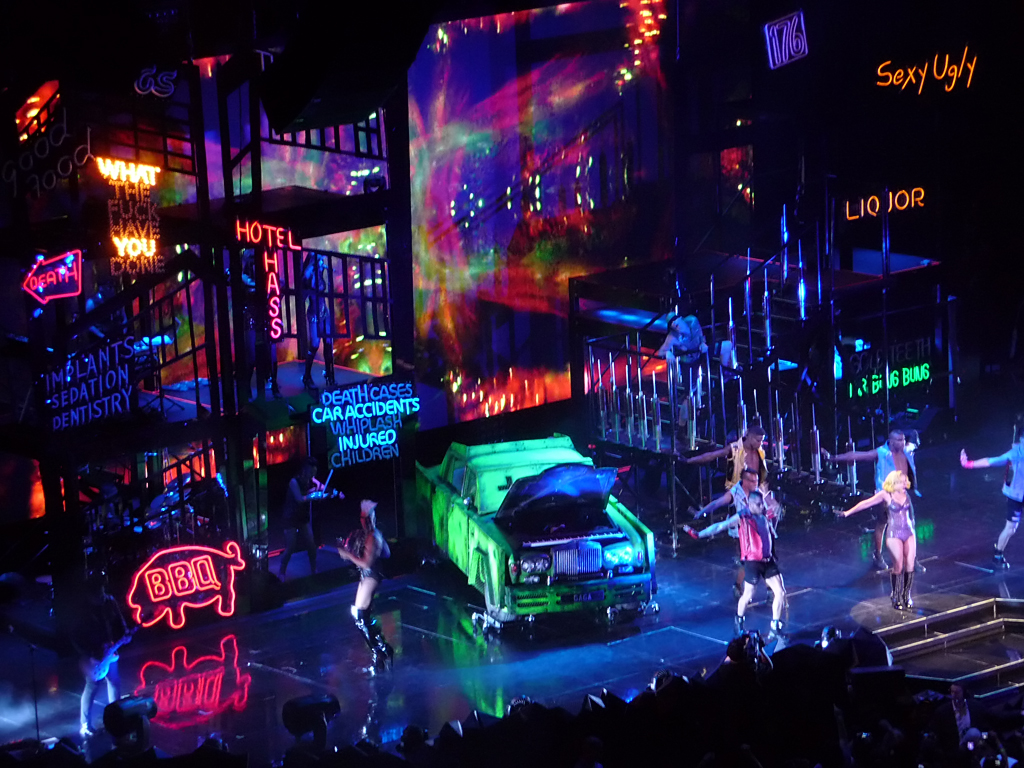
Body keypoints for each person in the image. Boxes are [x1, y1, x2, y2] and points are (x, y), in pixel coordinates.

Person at [684, 485, 787, 642]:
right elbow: (720, 526)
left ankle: (775, 628)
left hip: (768, 560)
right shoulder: (742, 517)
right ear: (750, 504)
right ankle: (738, 621)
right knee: (748, 595)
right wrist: (699, 534)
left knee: (780, 592)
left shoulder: (763, 515)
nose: (762, 506)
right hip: (753, 562)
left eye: (762, 504)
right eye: (759, 504)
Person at [823, 429, 919, 571]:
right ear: (891, 442)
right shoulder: (881, 452)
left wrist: (914, 437)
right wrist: (833, 458)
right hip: (885, 494)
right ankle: (878, 557)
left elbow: (914, 443)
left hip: (902, 494)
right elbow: (857, 455)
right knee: (882, 523)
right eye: (899, 440)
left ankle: (912, 560)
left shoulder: (906, 450)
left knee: (910, 525)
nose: (902, 442)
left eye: (903, 439)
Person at [836, 470, 916, 610]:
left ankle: (906, 594)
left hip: (908, 532)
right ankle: (896, 595)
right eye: (902, 482)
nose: (905, 484)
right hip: (894, 533)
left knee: (909, 565)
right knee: (898, 565)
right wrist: (847, 513)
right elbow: (866, 503)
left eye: (905, 482)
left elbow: (911, 514)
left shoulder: (905, 495)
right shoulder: (886, 495)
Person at [960, 416, 1024, 568]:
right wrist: (969, 464)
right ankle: (998, 554)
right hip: (1016, 495)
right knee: (1011, 528)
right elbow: (992, 461)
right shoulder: (1016, 453)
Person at [337, 500, 393, 673]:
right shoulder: (373, 535)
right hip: (369, 575)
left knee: (360, 615)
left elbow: (367, 564)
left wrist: (348, 556)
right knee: (361, 615)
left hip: (372, 575)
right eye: (362, 518)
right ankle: (382, 651)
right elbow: (387, 553)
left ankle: (380, 653)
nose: (364, 522)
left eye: (367, 518)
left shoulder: (373, 536)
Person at [72, 578, 131, 737]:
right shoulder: (83, 610)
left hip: (110, 650)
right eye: (98, 594)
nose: (101, 596)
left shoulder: (109, 602)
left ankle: (116, 717)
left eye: (102, 592)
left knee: (114, 683)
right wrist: (89, 654)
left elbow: (119, 622)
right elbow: (75, 636)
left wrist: (124, 634)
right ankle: (84, 725)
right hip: (94, 654)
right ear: (90, 596)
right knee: (92, 687)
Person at [279, 458, 340, 579]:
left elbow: (323, 488)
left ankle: (313, 569)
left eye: (314, 473)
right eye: (311, 472)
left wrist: (334, 493)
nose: (313, 475)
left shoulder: (311, 480)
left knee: (311, 545)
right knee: (290, 547)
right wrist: (313, 495)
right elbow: (300, 499)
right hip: (290, 518)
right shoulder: (294, 482)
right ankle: (281, 572)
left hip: (303, 518)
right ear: (304, 470)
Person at [656, 299, 708, 425]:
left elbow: (701, 335)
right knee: (689, 394)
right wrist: (667, 353)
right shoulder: (672, 337)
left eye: (677, 322)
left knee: (726, 346)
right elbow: (660, 352)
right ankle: (682, 425)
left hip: (701, 355)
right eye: (673, 325)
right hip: (688, 363)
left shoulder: (692, 321)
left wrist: (703, 343)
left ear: (680, 319)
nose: (677, 326)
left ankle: (729, 374)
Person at [684, 424, 768, 489]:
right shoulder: (735, 448)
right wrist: (689, 460)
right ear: (749, 437)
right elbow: (712, 455)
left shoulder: (760, 453)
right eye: (758, 440)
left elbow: (763, 475)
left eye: (762, 441)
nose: (760, 443)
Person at [302, 252, 335, 389]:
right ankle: (307, 376)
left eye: (322, 260)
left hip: (324, 311)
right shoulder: (309, 274)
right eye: (320, 260)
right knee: (315, 344)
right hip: (313, 313)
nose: (322, 263)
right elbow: (306, 279)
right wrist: (314, 267)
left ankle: (329, 374)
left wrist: (325, 270)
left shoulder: (321, 273)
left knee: (328, 341)